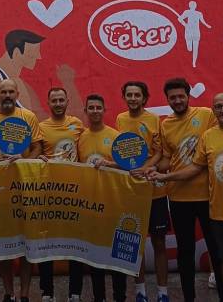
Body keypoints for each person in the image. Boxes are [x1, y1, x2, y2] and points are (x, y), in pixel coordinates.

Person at [149, 93, 223, 302]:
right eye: (218, 106)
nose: (222, 110)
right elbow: (195, 168)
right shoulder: (207, 136)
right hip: (219, 212)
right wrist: (164, 175)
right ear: (213, 110)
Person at [154, 77, 223, 302]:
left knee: (217, 250)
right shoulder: (165, 124)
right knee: (185, 252)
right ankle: (189, 298)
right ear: (167, 100)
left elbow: (216, 146)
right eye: (172, 97)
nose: (177, 101)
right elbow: (167, 159)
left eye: (181, 96)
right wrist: (149, 169)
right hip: (178, 198)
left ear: (188, 96)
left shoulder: (206, 115)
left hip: (208, 196)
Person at [0, 79, 44, 302]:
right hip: (0, 192)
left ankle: (24, 294)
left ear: (17, 94)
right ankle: (9, 293)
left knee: (27, 245)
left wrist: (24, 160)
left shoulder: (28, 117)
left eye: (11, 91)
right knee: (4, 246)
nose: (7, 95)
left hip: (25, 189)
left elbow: (37, 147)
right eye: (3, 92)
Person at [115, 81, 168, 302]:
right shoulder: (120, 119)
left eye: (137, 95)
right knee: (135, 243)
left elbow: (159, 151)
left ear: (144, 98)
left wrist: (147, 168)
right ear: (124, 97)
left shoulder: (154, 119)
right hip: (132, 191)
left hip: (155, 191)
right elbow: (121, 152)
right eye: (129, 95)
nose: (133, 98)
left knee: (159, 243)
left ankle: (163, 293)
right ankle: (140, 291)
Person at [77, 93, 127, 302]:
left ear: (104, 110)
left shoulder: (115, 136)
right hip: (91, 205)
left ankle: (119, 297)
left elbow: (128, 166)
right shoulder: (81, 138)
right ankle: (99, 297)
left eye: (98, 107)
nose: (95, 111)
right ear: (86, 111)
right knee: (95, 255)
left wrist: (109, 164)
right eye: (91, 108)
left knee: (116, 255)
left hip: (113, 203)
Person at [37, 87, 84, 301]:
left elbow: (84, 153)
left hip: (75, 193)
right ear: (48, 103)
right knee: (46, 243)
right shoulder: (41, 127)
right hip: (49, 194)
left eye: (61, 100)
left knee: (76, 244)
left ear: (67, 101)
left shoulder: (77, 124)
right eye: (54, 100)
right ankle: (47, 292)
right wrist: (38, 158)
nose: (58, 104)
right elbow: (36, 154)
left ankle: (75, 292)